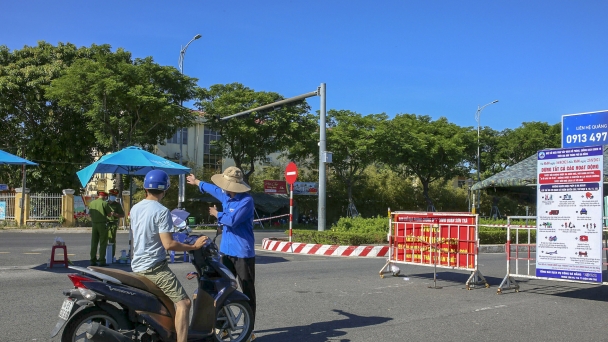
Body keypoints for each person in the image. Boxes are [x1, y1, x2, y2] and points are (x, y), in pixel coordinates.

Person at [130, 170, 208, 342]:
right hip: (154, 267)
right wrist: (193, 246)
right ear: (165, 190)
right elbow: (169, 244)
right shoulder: (162, 211)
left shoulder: (135, 208)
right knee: (184, 303)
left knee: (167, 304)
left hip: (137, 264)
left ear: (145, 188)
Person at [186, 167, 257, 336]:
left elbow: (232, 221)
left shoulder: (246, 201)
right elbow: (214, 189)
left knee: (247, 290)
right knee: (221, 288)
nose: (223, 187)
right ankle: (223, 326)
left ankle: (249, 330)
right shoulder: (225, 195)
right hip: (226, 251)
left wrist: (216, 214)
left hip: (243, 253)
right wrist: (197, 182)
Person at [88, 191, 112, 266]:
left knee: (94, 242)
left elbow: (90, 214)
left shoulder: (92, 203)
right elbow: (109, 214)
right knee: (103, 243)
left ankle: (92, 260)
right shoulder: (105, 203)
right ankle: (101, 261)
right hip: (102, 224)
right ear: (105, 196)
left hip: (94, 224)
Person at [107, 188, 125, 262]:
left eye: (114, 195)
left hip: (113, 224)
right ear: (109, 195)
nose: (113, 197)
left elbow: (122, 215)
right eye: (112, 195)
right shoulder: (105, 203)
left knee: (112, 241)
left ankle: (111, 256)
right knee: (103, 240)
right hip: (105, 223)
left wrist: (115, 214)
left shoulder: (117, 205)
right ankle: (103, 255)